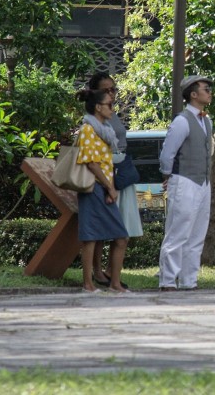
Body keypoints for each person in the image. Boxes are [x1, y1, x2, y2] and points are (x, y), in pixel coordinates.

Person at [86, 72, 144, 289]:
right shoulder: (93, 118)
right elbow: (92, 156)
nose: (112, 94)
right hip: (106, 173)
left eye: (114, 89)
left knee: (122, 229)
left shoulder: (112, 113)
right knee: (103, 228)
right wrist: (108, 183)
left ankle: (111, 273)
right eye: (106, 90)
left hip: (120, 170)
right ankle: (97, 272)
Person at [157, 75, 213, 291]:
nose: (210, 92)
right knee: (178, 232)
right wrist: (167, 175)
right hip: (184, 180)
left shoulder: (206, 121)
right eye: (206, 88)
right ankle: (168, 281)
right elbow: (167, 153)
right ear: (193, 94)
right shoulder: (182, 120)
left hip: (203, 182)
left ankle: (189, 281)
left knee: (197, 235)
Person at [75, 88, 130, 293]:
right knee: (93, 237)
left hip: (103, 187)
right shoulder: (88, 129)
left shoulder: (103, 129)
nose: (112, 109)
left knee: (117, 237)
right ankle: (89, 284)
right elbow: (91, 163)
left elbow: (104, 164)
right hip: (93, 187)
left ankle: (113, 283)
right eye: (109, 104)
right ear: (98, 107)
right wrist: (110, 187)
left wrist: (109, 188)